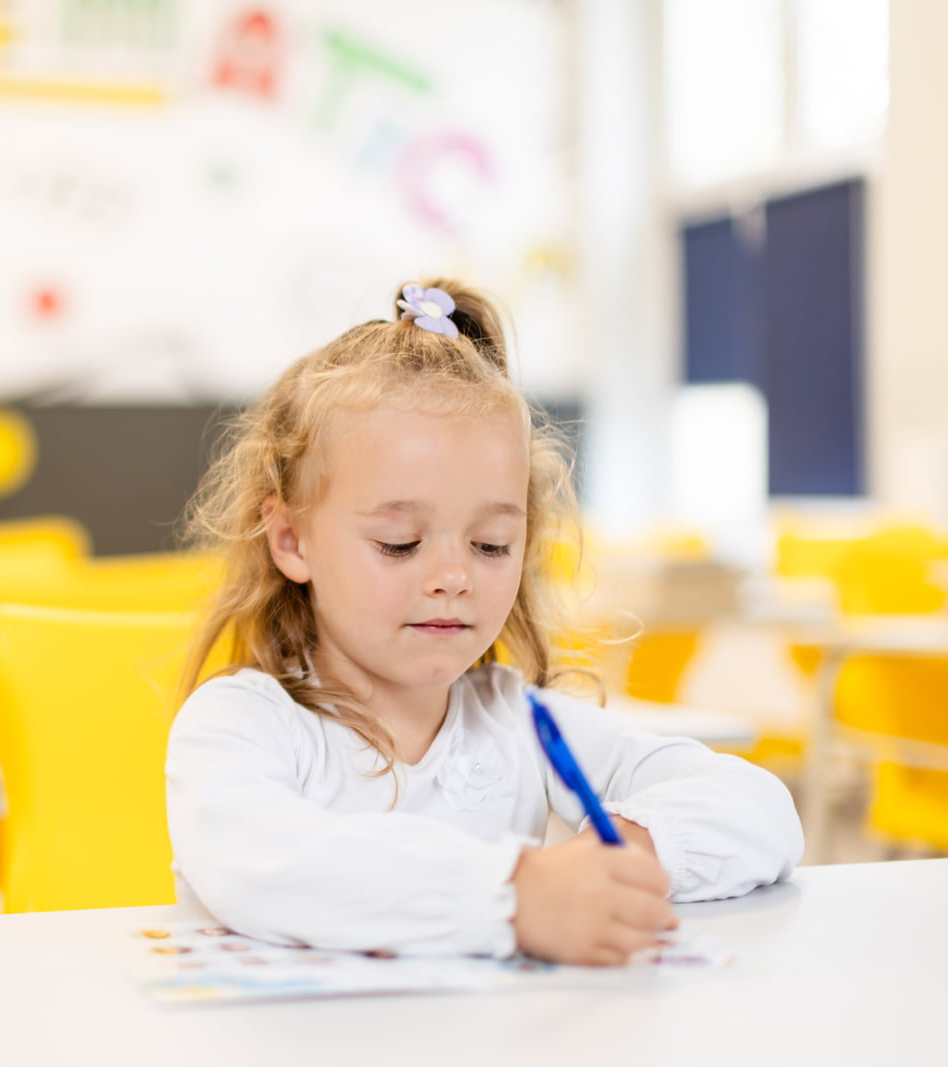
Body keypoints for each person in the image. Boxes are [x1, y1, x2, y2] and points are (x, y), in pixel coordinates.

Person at [166, 278, 803, 966]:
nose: (453, 577)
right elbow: (265, 860)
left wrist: (626, 851)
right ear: (290, 540)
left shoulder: (522, 721)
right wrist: (514, 895)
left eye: (491, 544)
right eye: (400, 543)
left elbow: (760, 809)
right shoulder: (236, 722)